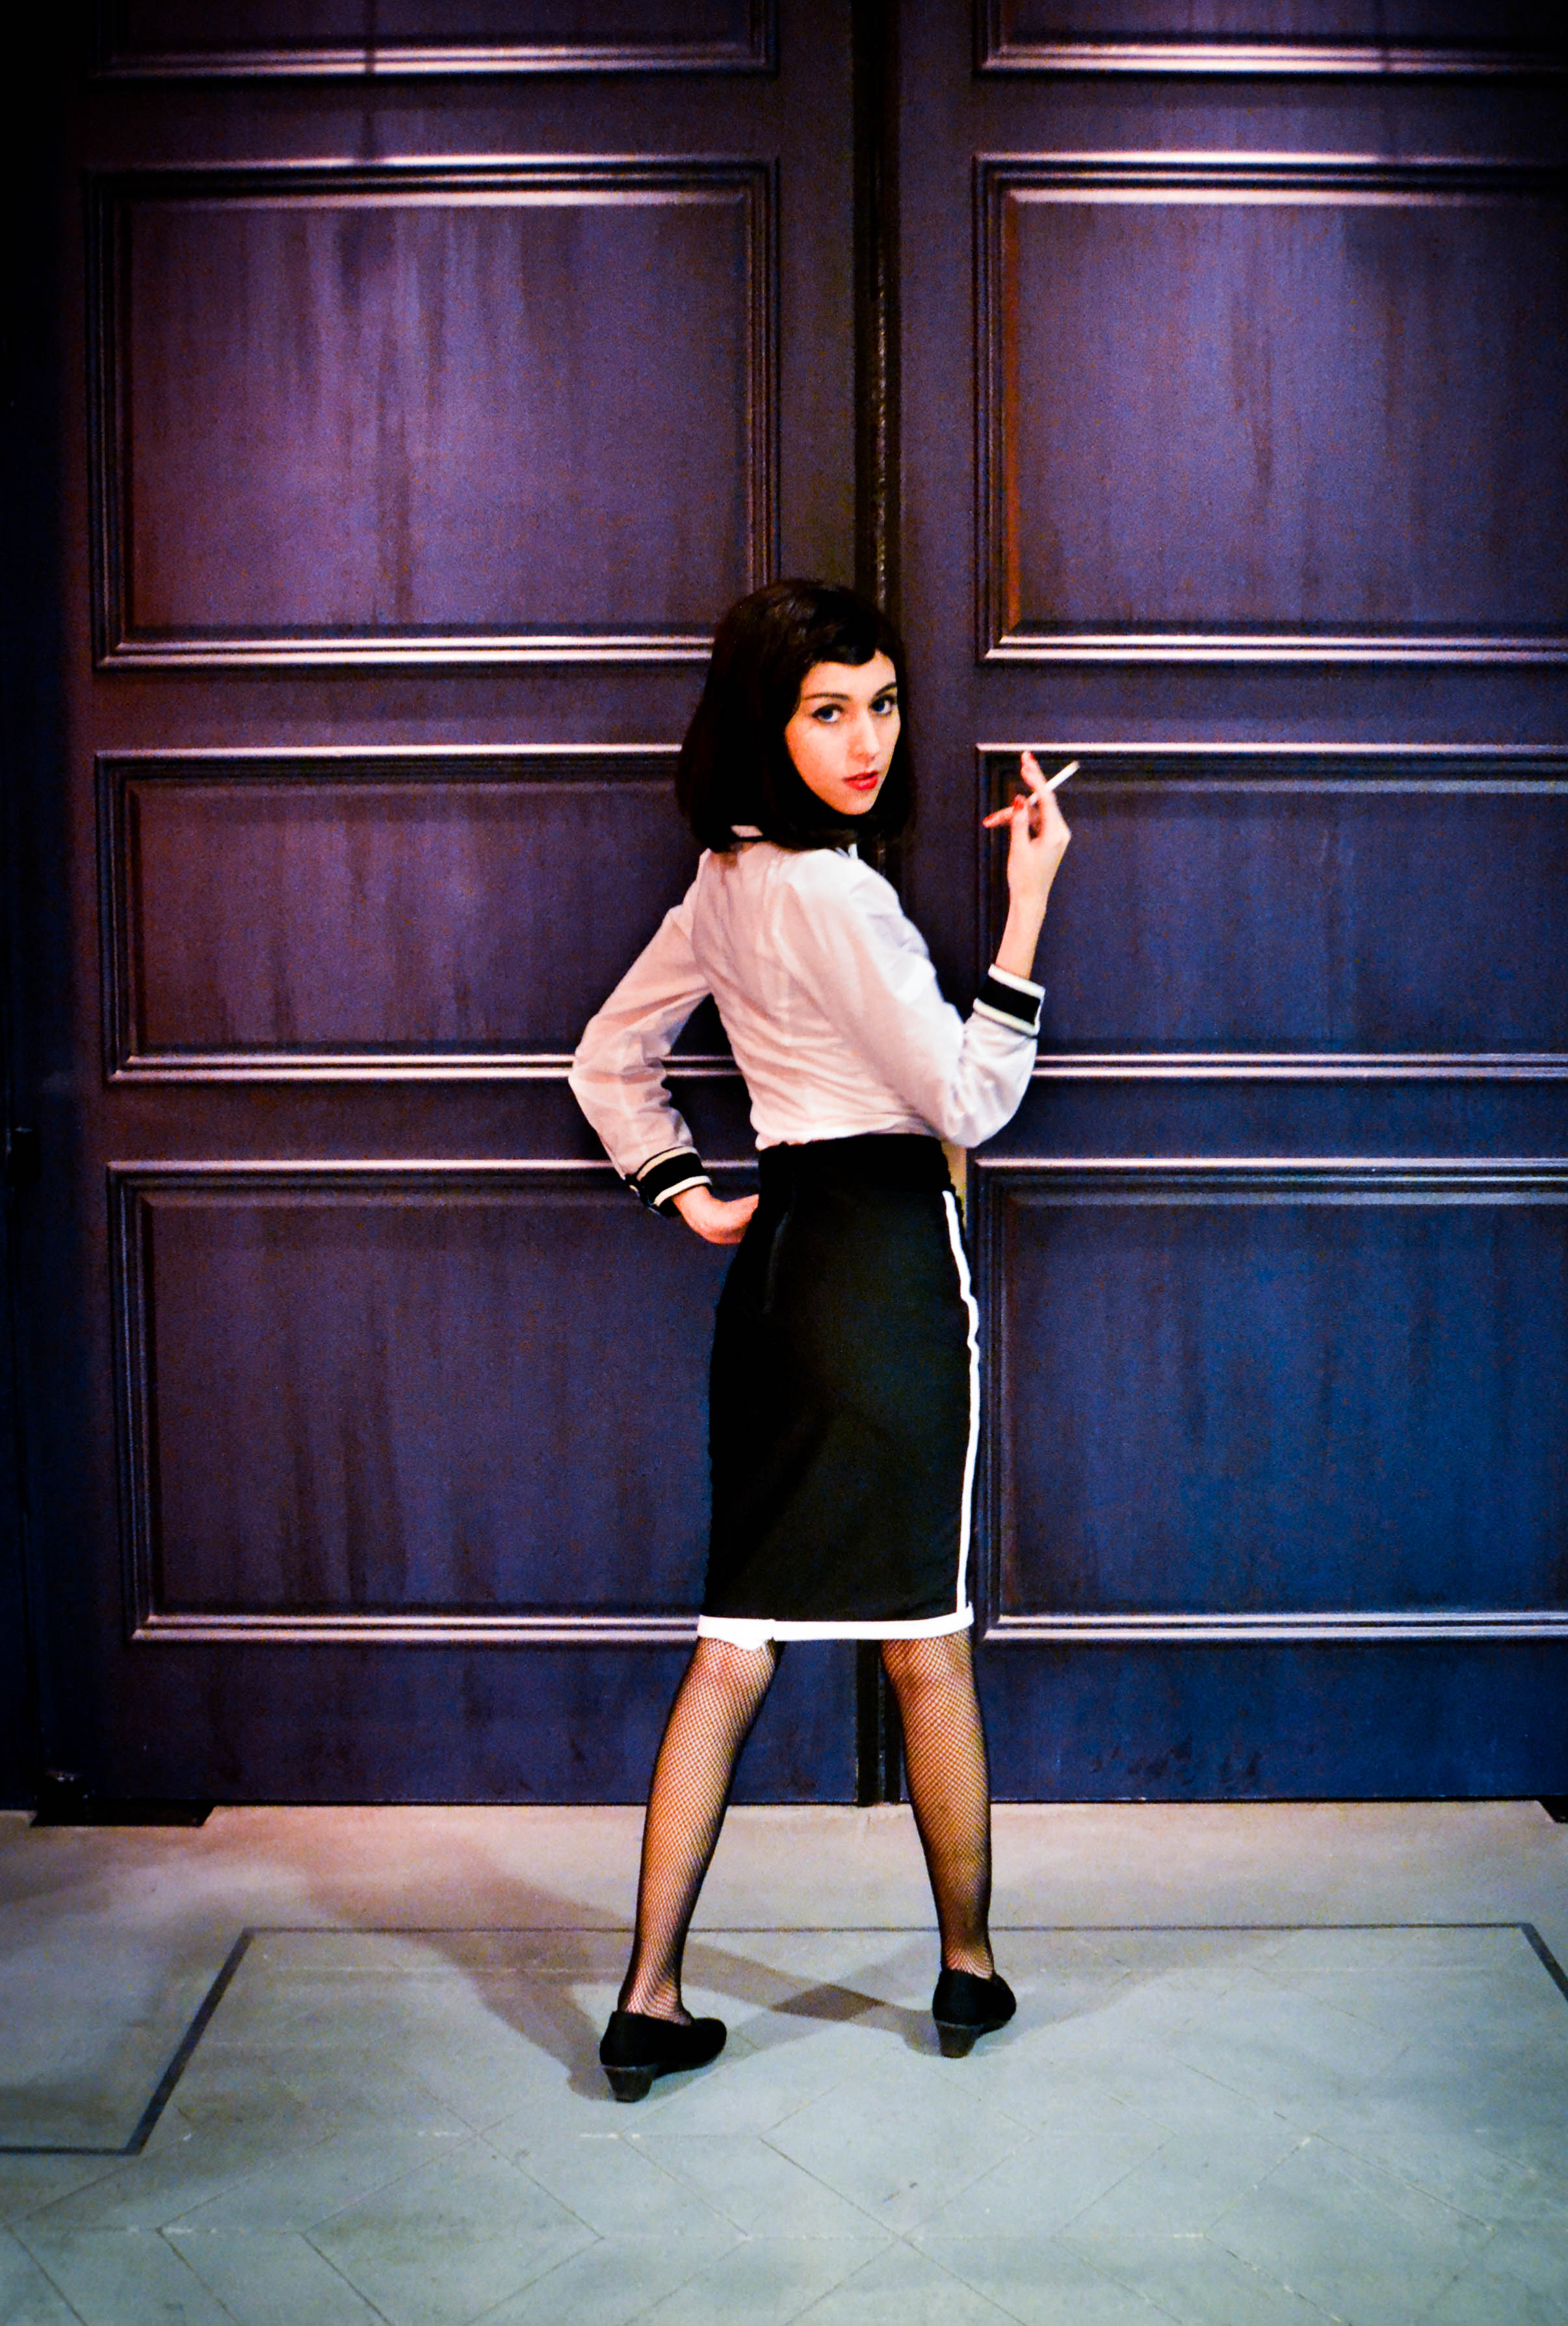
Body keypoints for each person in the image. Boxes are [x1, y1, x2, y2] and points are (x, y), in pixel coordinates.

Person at [568, 579, 1071, 2102]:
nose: (867, 741)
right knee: (927, 1639)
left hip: (781, 1272)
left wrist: (686, 1191)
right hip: (888, 1268)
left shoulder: (724, 881)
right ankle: (968, 1969)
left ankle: (648, 1997)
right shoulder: (838, 895)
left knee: (736, 1638)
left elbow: (606, 1058)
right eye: (828, 710)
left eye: (885, 704)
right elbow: (971, 1101)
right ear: (765, 722)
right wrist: (1031, 905)